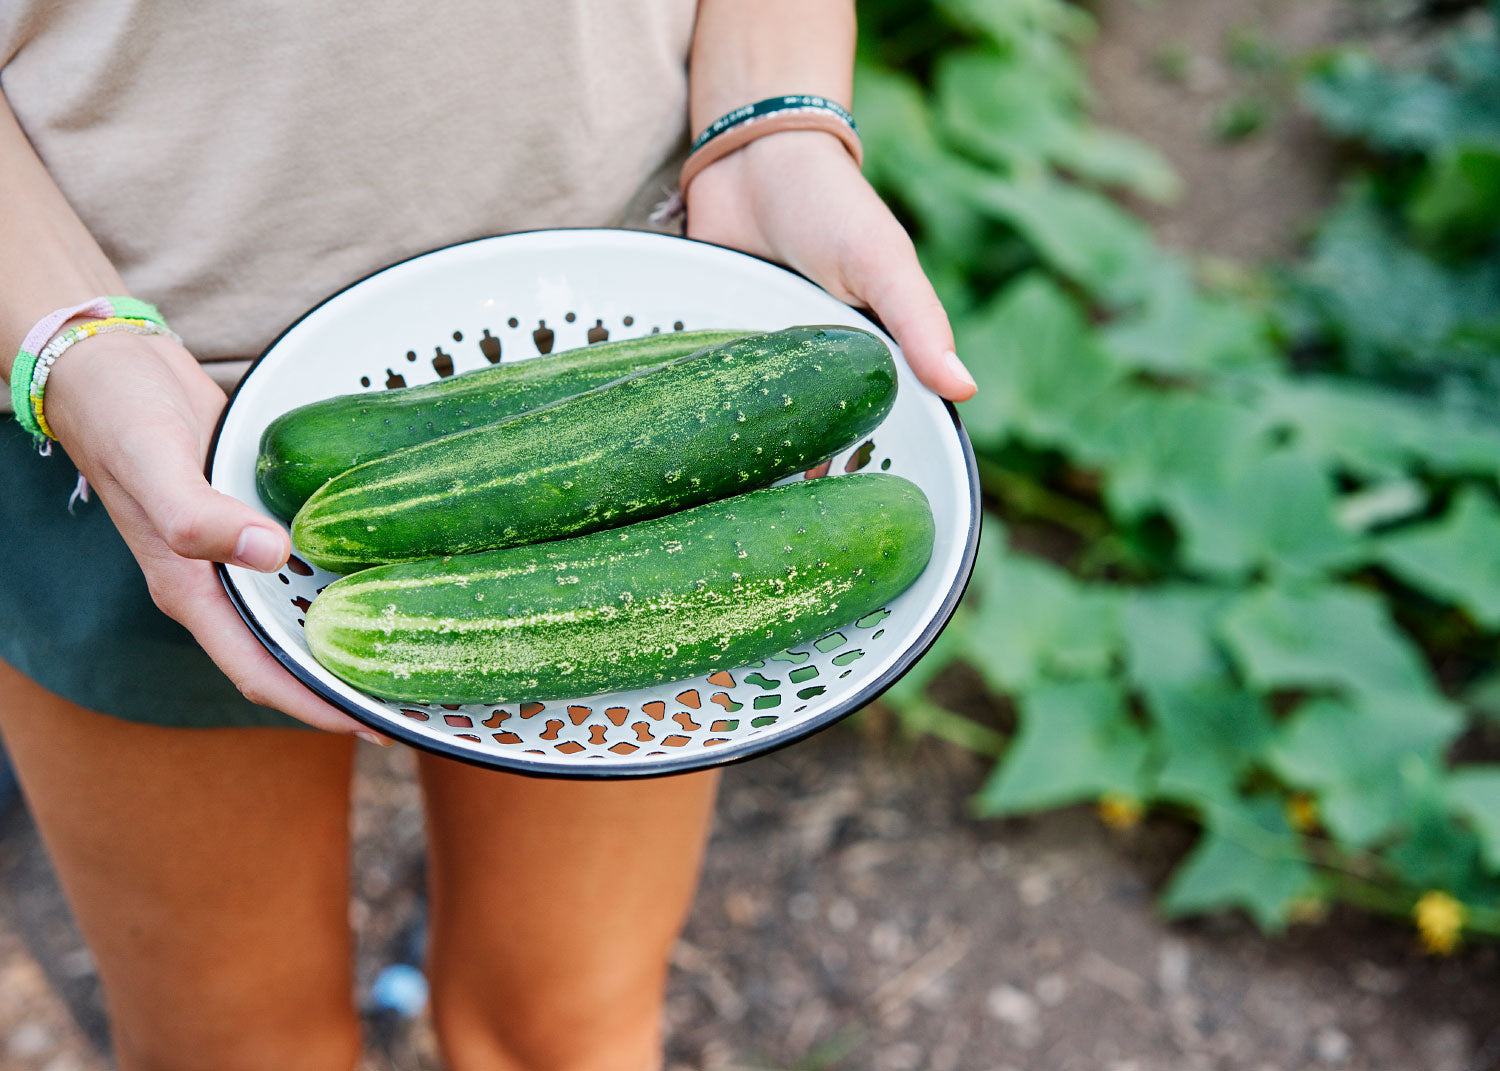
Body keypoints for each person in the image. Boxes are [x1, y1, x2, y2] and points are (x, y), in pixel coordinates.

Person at [0, 2, 976, 1068]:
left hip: (630, 296)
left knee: (559, 1031)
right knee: (231, 1050)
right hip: (111, 388)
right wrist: (64, 334)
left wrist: (771, 114)